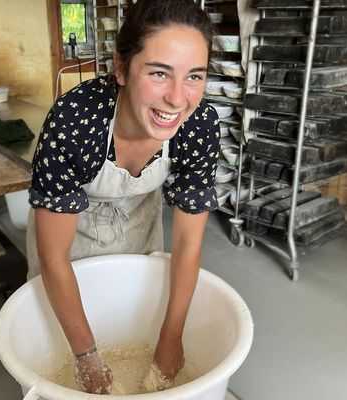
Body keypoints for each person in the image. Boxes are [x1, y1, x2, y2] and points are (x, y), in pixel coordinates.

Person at [26, 0, 219, 394]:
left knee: (135, 310)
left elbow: (187, 241)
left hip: (139, 221)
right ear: (121, 68)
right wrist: (87, 359)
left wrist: (171, 337)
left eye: (194, 76)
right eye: (160, 73)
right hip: (68, 231)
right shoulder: (74, 120)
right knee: (69, 336)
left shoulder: (199, 125)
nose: (178, 99)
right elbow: (54, 257)